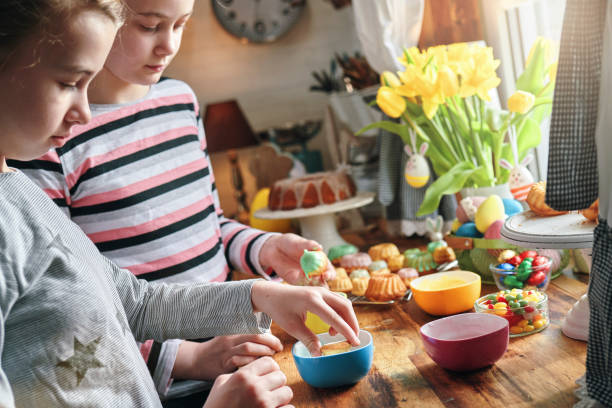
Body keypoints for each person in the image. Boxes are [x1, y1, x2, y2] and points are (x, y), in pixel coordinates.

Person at [0, 1, 359, 406]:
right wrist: (190, 361)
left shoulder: (18, 190)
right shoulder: (28, 180)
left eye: (181, 24)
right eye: (69, 83)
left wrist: (259, 289)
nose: (83, 112)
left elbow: (132, 303)